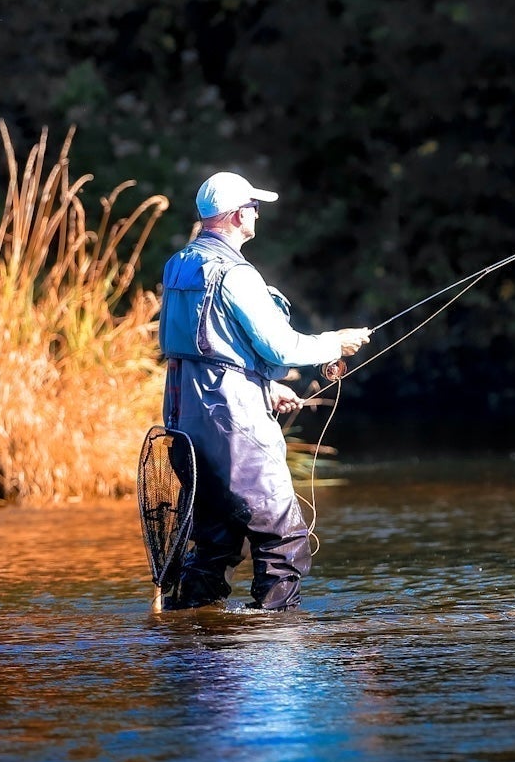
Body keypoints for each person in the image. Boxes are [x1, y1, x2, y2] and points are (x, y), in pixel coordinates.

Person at [155, 171, 370, 612]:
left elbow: (195, 344)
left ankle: (196, 642)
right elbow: (281, 346)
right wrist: (335, 342)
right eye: (253, 206)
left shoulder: (178, 264)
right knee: (283, 538)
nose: (257, 213)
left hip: (183, 413)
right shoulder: (236, 272)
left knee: (215, 539)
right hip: (231, 418)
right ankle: (276, 639)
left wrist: (263, 385)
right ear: (236, 215)